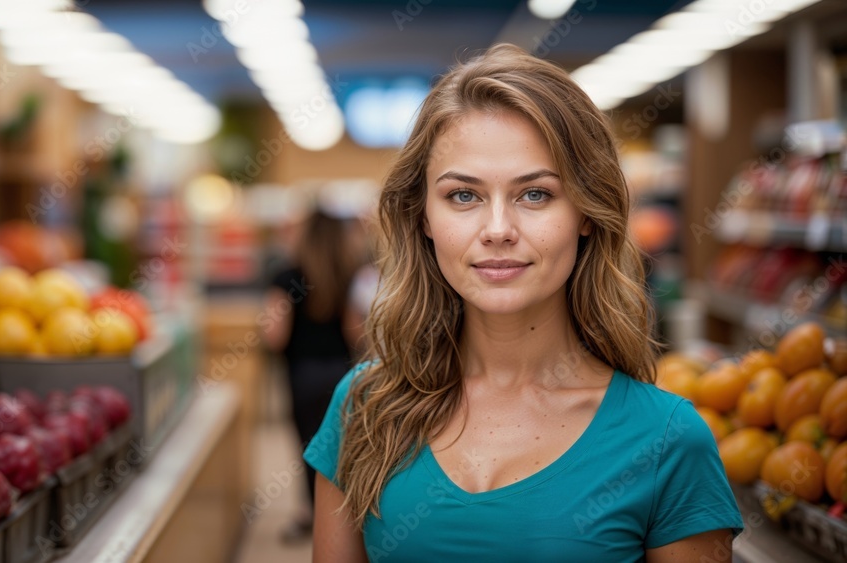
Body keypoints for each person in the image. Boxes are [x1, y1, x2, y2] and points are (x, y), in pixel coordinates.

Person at [305, 44, 744, 562]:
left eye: (535, 194)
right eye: (463, 196)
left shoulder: (667, 441)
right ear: (422, 217)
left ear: (586, 212)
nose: (497, 231)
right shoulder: (365, 407)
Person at [263, 204, 366, 542]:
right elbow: (356, 332)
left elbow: (274, 335)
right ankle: (345, 518)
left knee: (308, 447)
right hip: (340, 373)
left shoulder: (286, 275)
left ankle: (311, 514)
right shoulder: (348, 274)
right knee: (340, 446)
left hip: (302, 374)